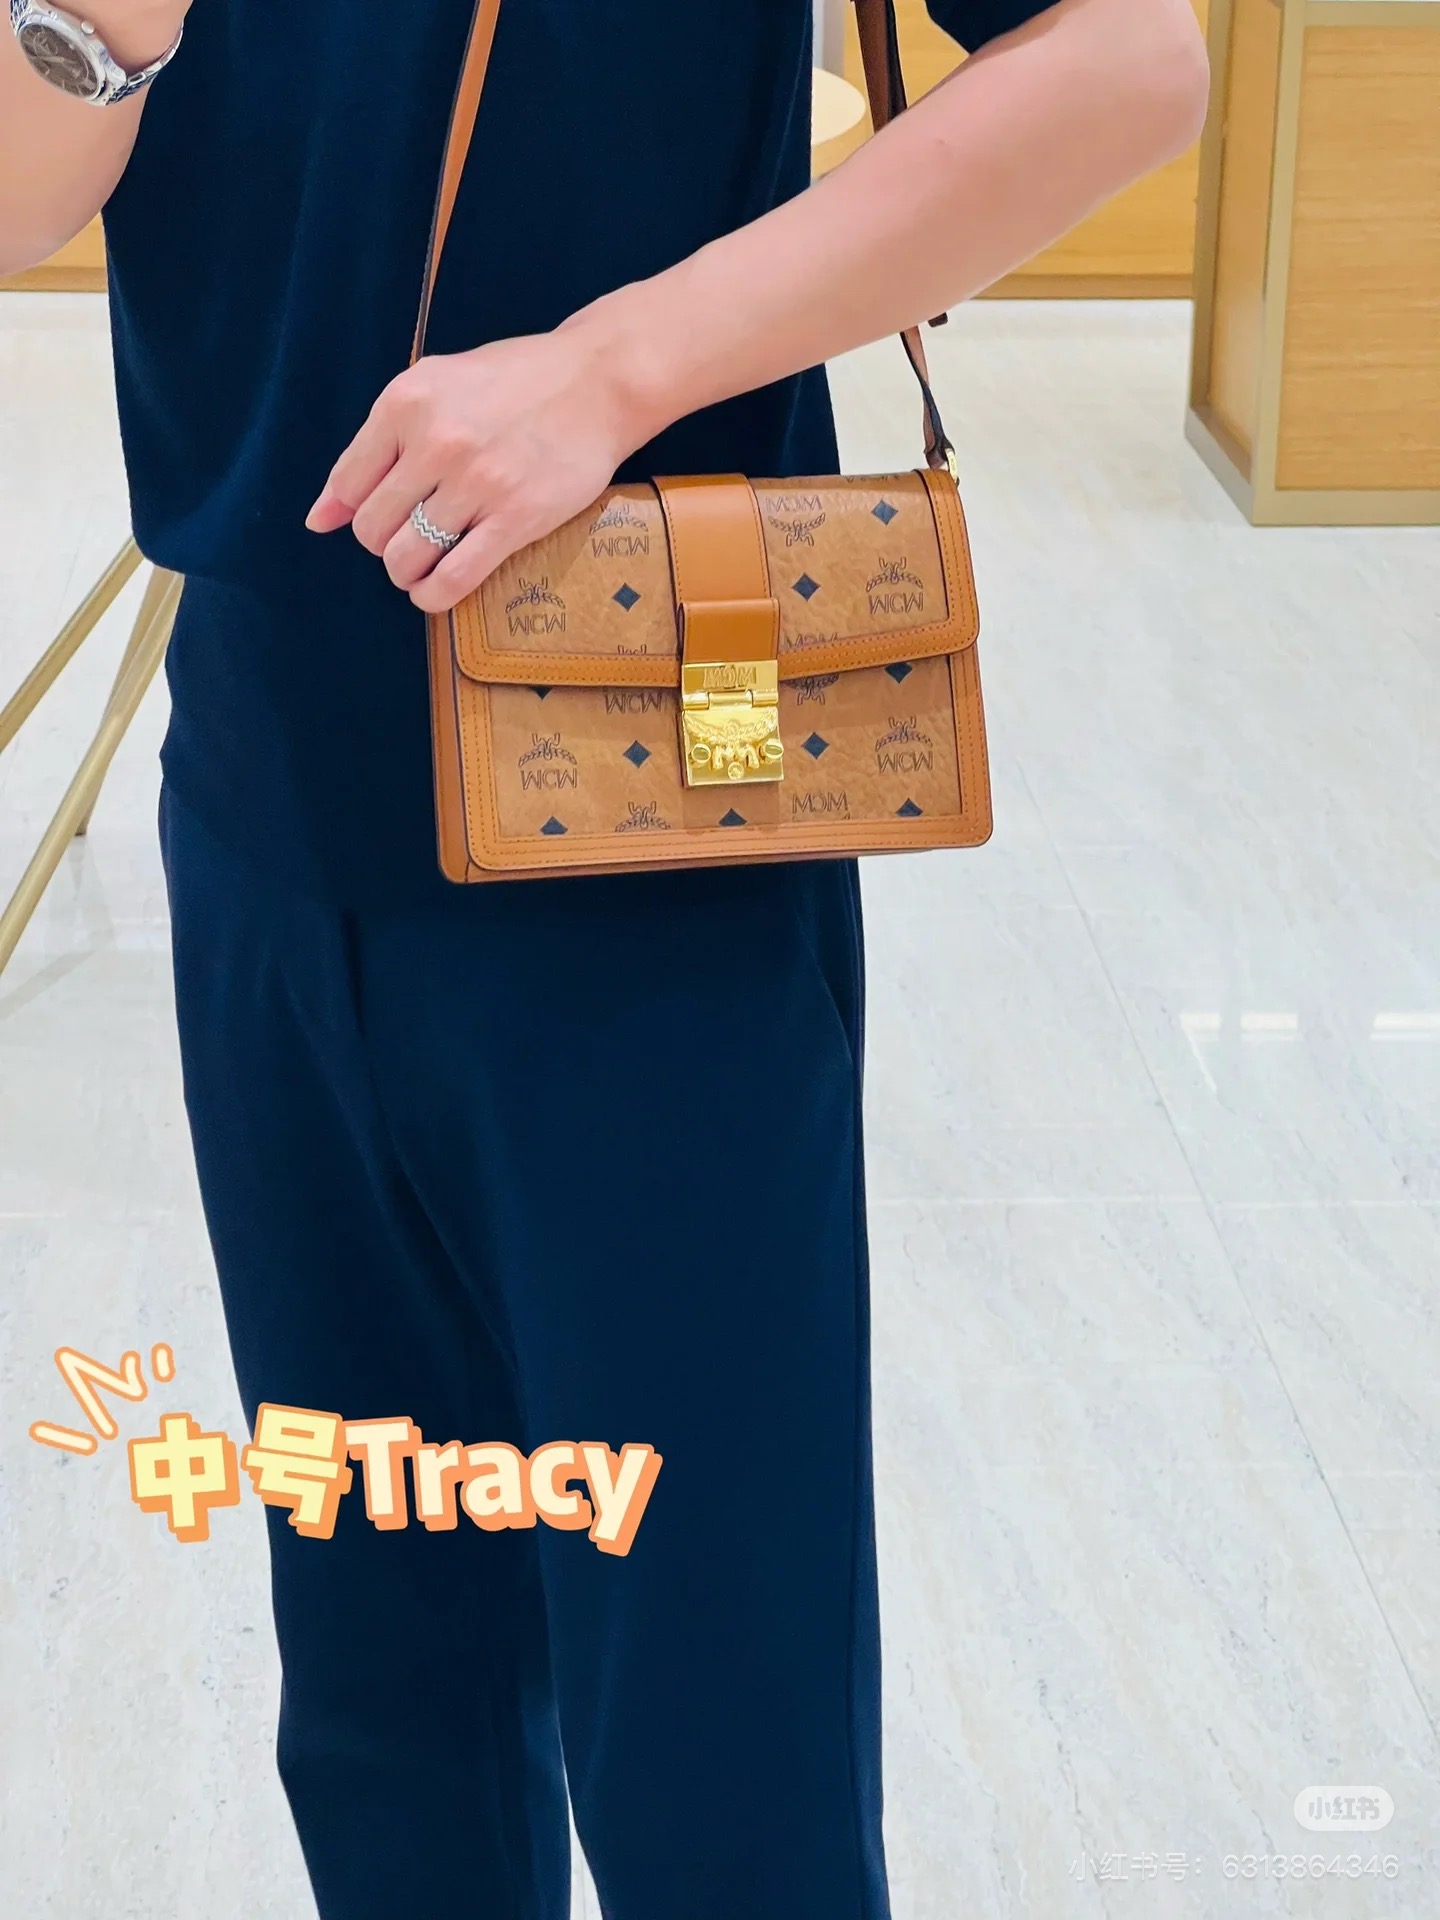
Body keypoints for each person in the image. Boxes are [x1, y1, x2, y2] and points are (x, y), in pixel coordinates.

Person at [2, 3, 1208, 1915]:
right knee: (386, 1678)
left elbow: (1134, 63)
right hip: (265, 792)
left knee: (715, 1724)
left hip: (651, 802)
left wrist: (614, 366)